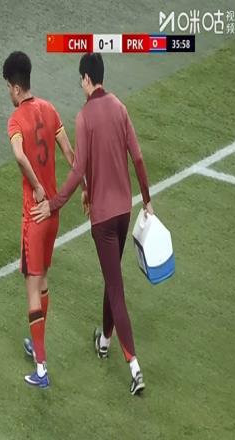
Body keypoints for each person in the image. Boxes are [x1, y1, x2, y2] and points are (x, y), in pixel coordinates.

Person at [31, 53, 153, 396]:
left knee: (115, 287)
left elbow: (77, 170)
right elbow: (138, 157)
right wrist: (147, 199)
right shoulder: (120, 108)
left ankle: (134, 367)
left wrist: (54, 203)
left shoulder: (84, 117)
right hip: (124, 211)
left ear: (86, 78)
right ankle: (104, 340)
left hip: (102, 219)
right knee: (111, 278)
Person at [2, 51, 74, 388]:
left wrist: (36, 186)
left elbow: (19, 155)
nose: (8, 92)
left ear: (16, 88)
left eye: (8, 87)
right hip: (54, 215)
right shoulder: (50, 109)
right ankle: (37, 343)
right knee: (43, 281)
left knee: (32, 288)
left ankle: (41, 369)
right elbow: (70, 153)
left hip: (34, 215)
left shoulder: (16, 120)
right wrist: (85, 186)